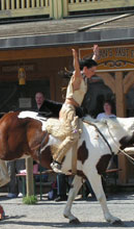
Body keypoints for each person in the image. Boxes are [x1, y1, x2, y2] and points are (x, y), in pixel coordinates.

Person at [50, 45, 99, 174]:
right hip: (69, 110)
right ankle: (57, 160)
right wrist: (75, 57)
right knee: (74, 135)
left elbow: (89, 65)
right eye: (92, 71)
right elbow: (77, 68)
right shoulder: (78, 78)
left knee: (81, 134)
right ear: (85, 69)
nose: (94, 74)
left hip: (75, 110)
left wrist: (95, 55)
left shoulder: (85, 78)